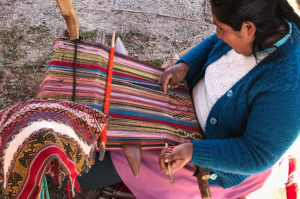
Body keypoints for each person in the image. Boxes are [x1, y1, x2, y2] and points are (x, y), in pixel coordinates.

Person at [153, 0, 300, 197]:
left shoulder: (288, 83)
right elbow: (214, 41)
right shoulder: (265, 22)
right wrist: (186, 66)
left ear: (249, 28)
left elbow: (256, 154)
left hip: (213, 159)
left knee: (120, 155)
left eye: (221, 28)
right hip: (183, 110)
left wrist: (192, 151)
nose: (218, 33)